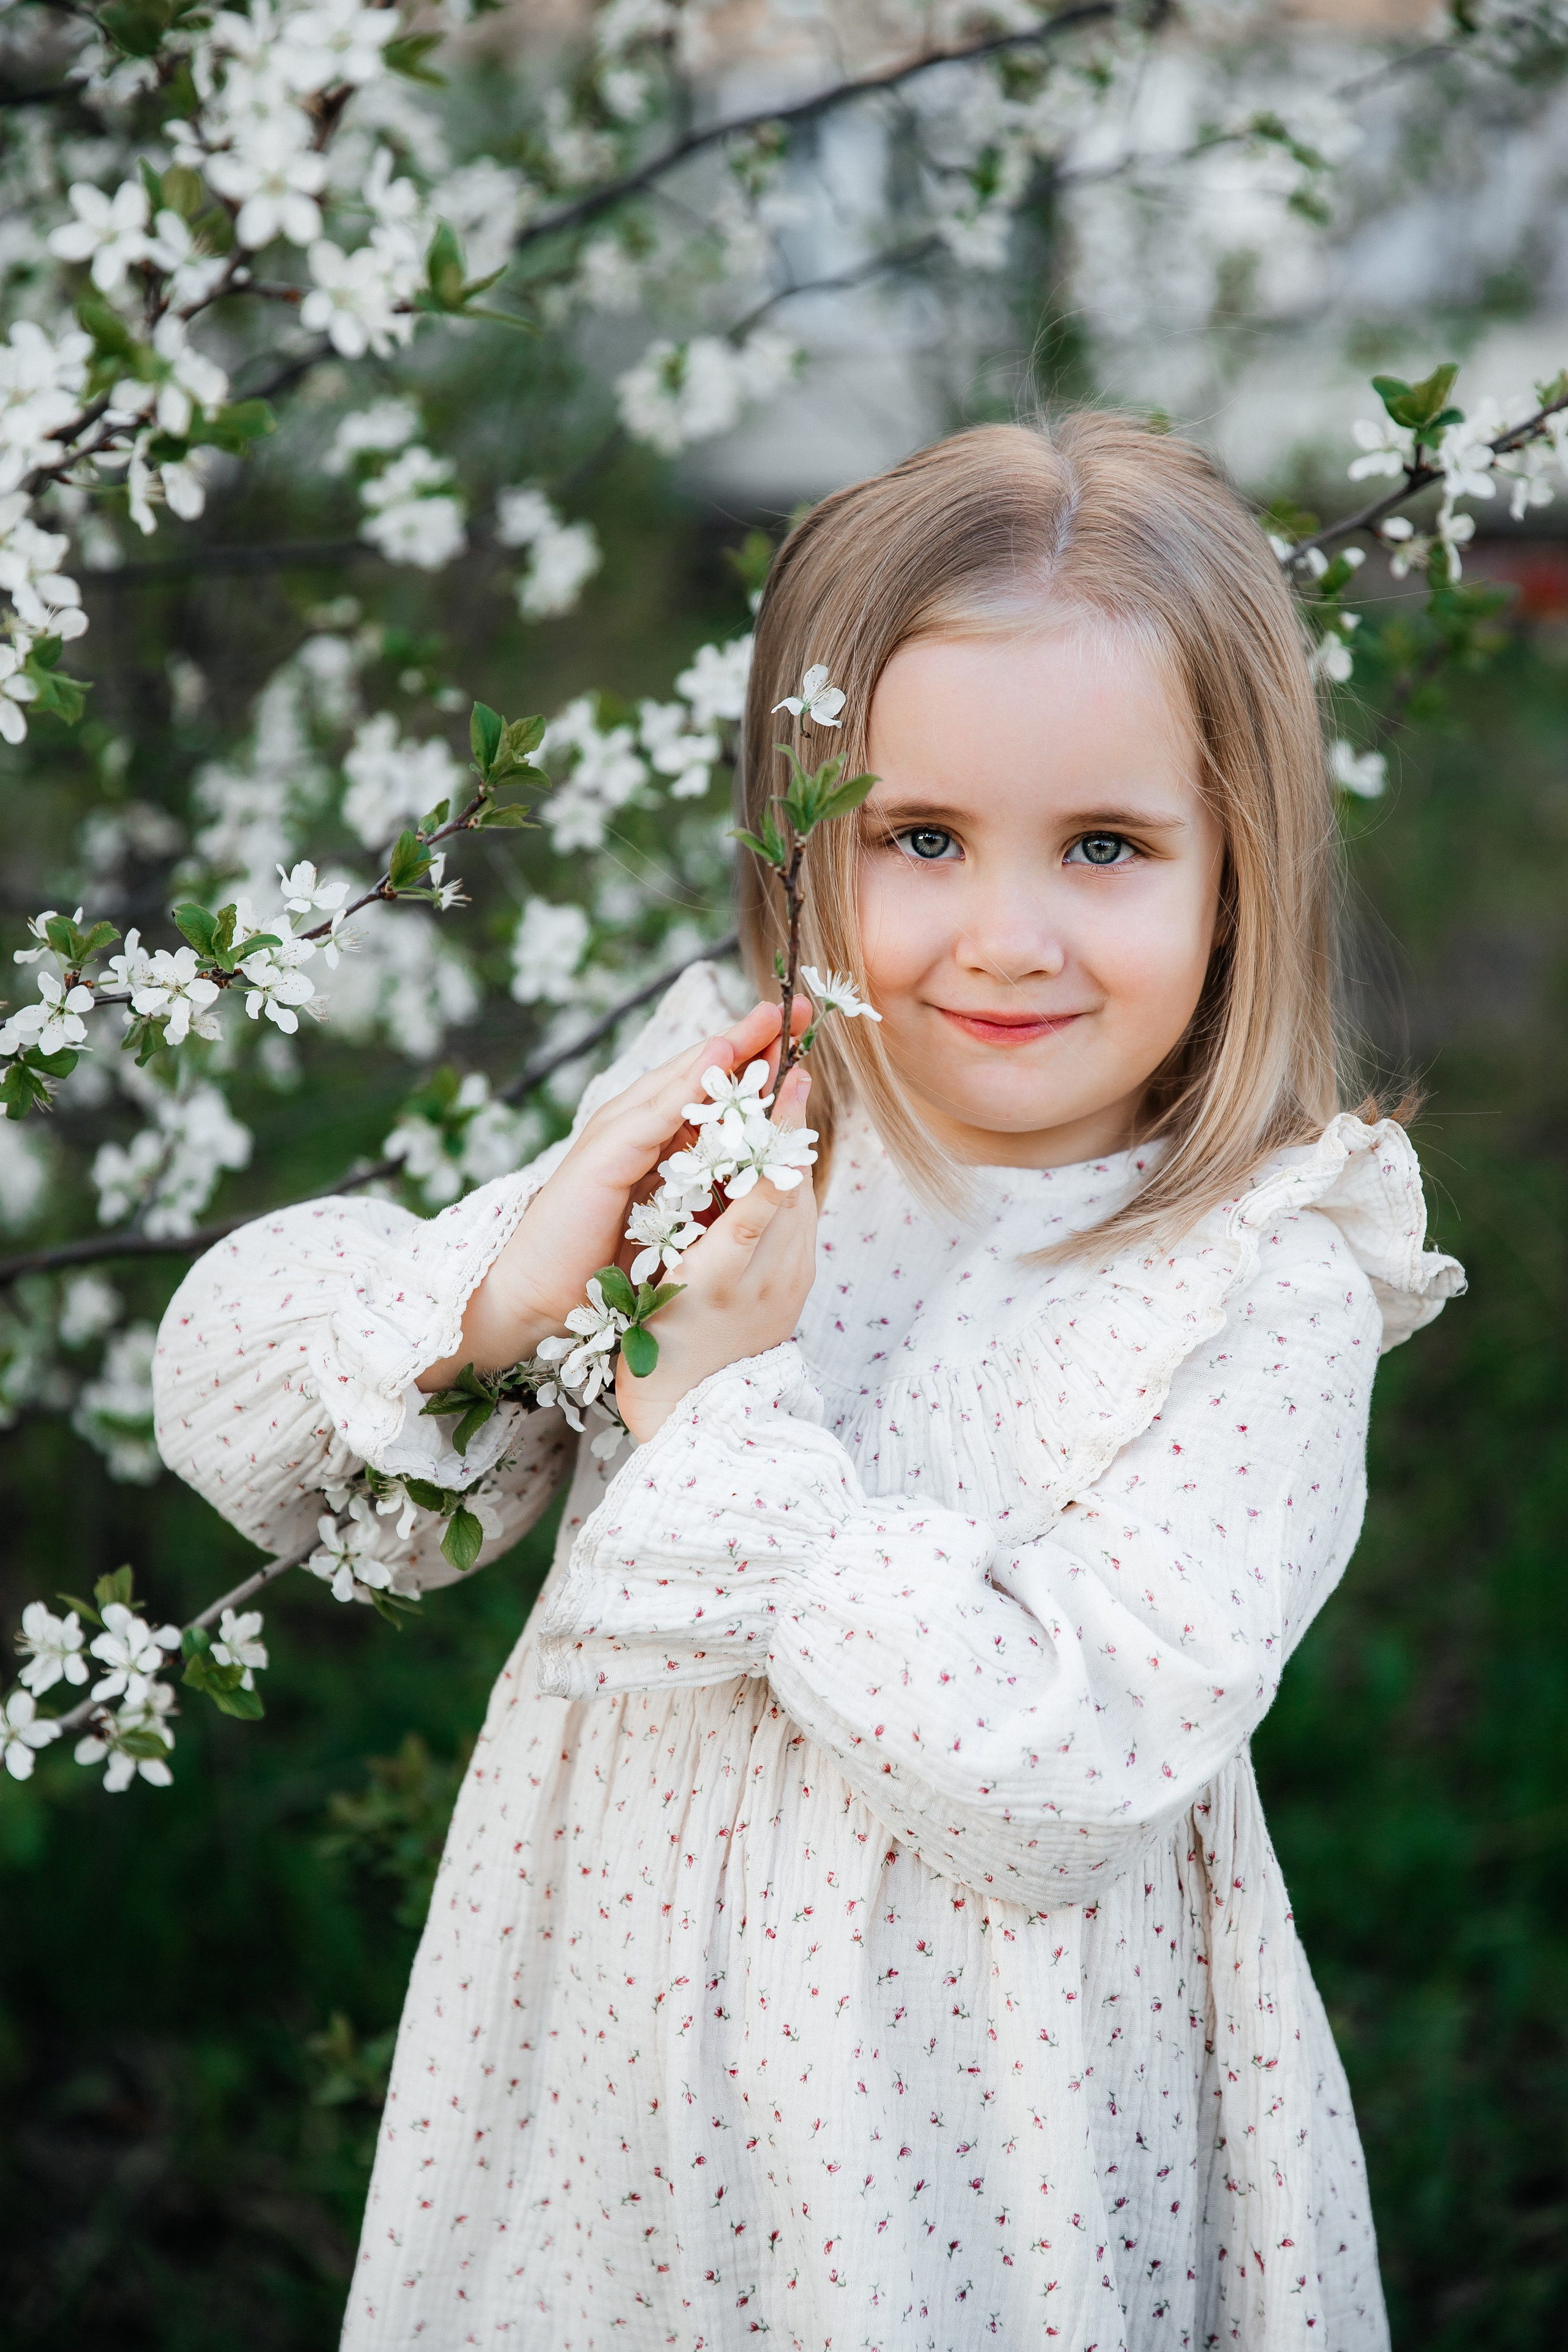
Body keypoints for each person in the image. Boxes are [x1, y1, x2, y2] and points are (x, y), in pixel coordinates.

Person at [154, 413, 1463, 2351]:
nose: (1004, 937)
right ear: (805, 833)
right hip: (618, 2074)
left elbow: (1068, 1773)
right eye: (919, 839)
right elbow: (275, 1449)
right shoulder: (745, 1113)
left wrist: (709, 1415)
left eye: (1106, 847)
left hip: (987, 2131)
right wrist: (504, 1299)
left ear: (1237, 873)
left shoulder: (1256, 1276)